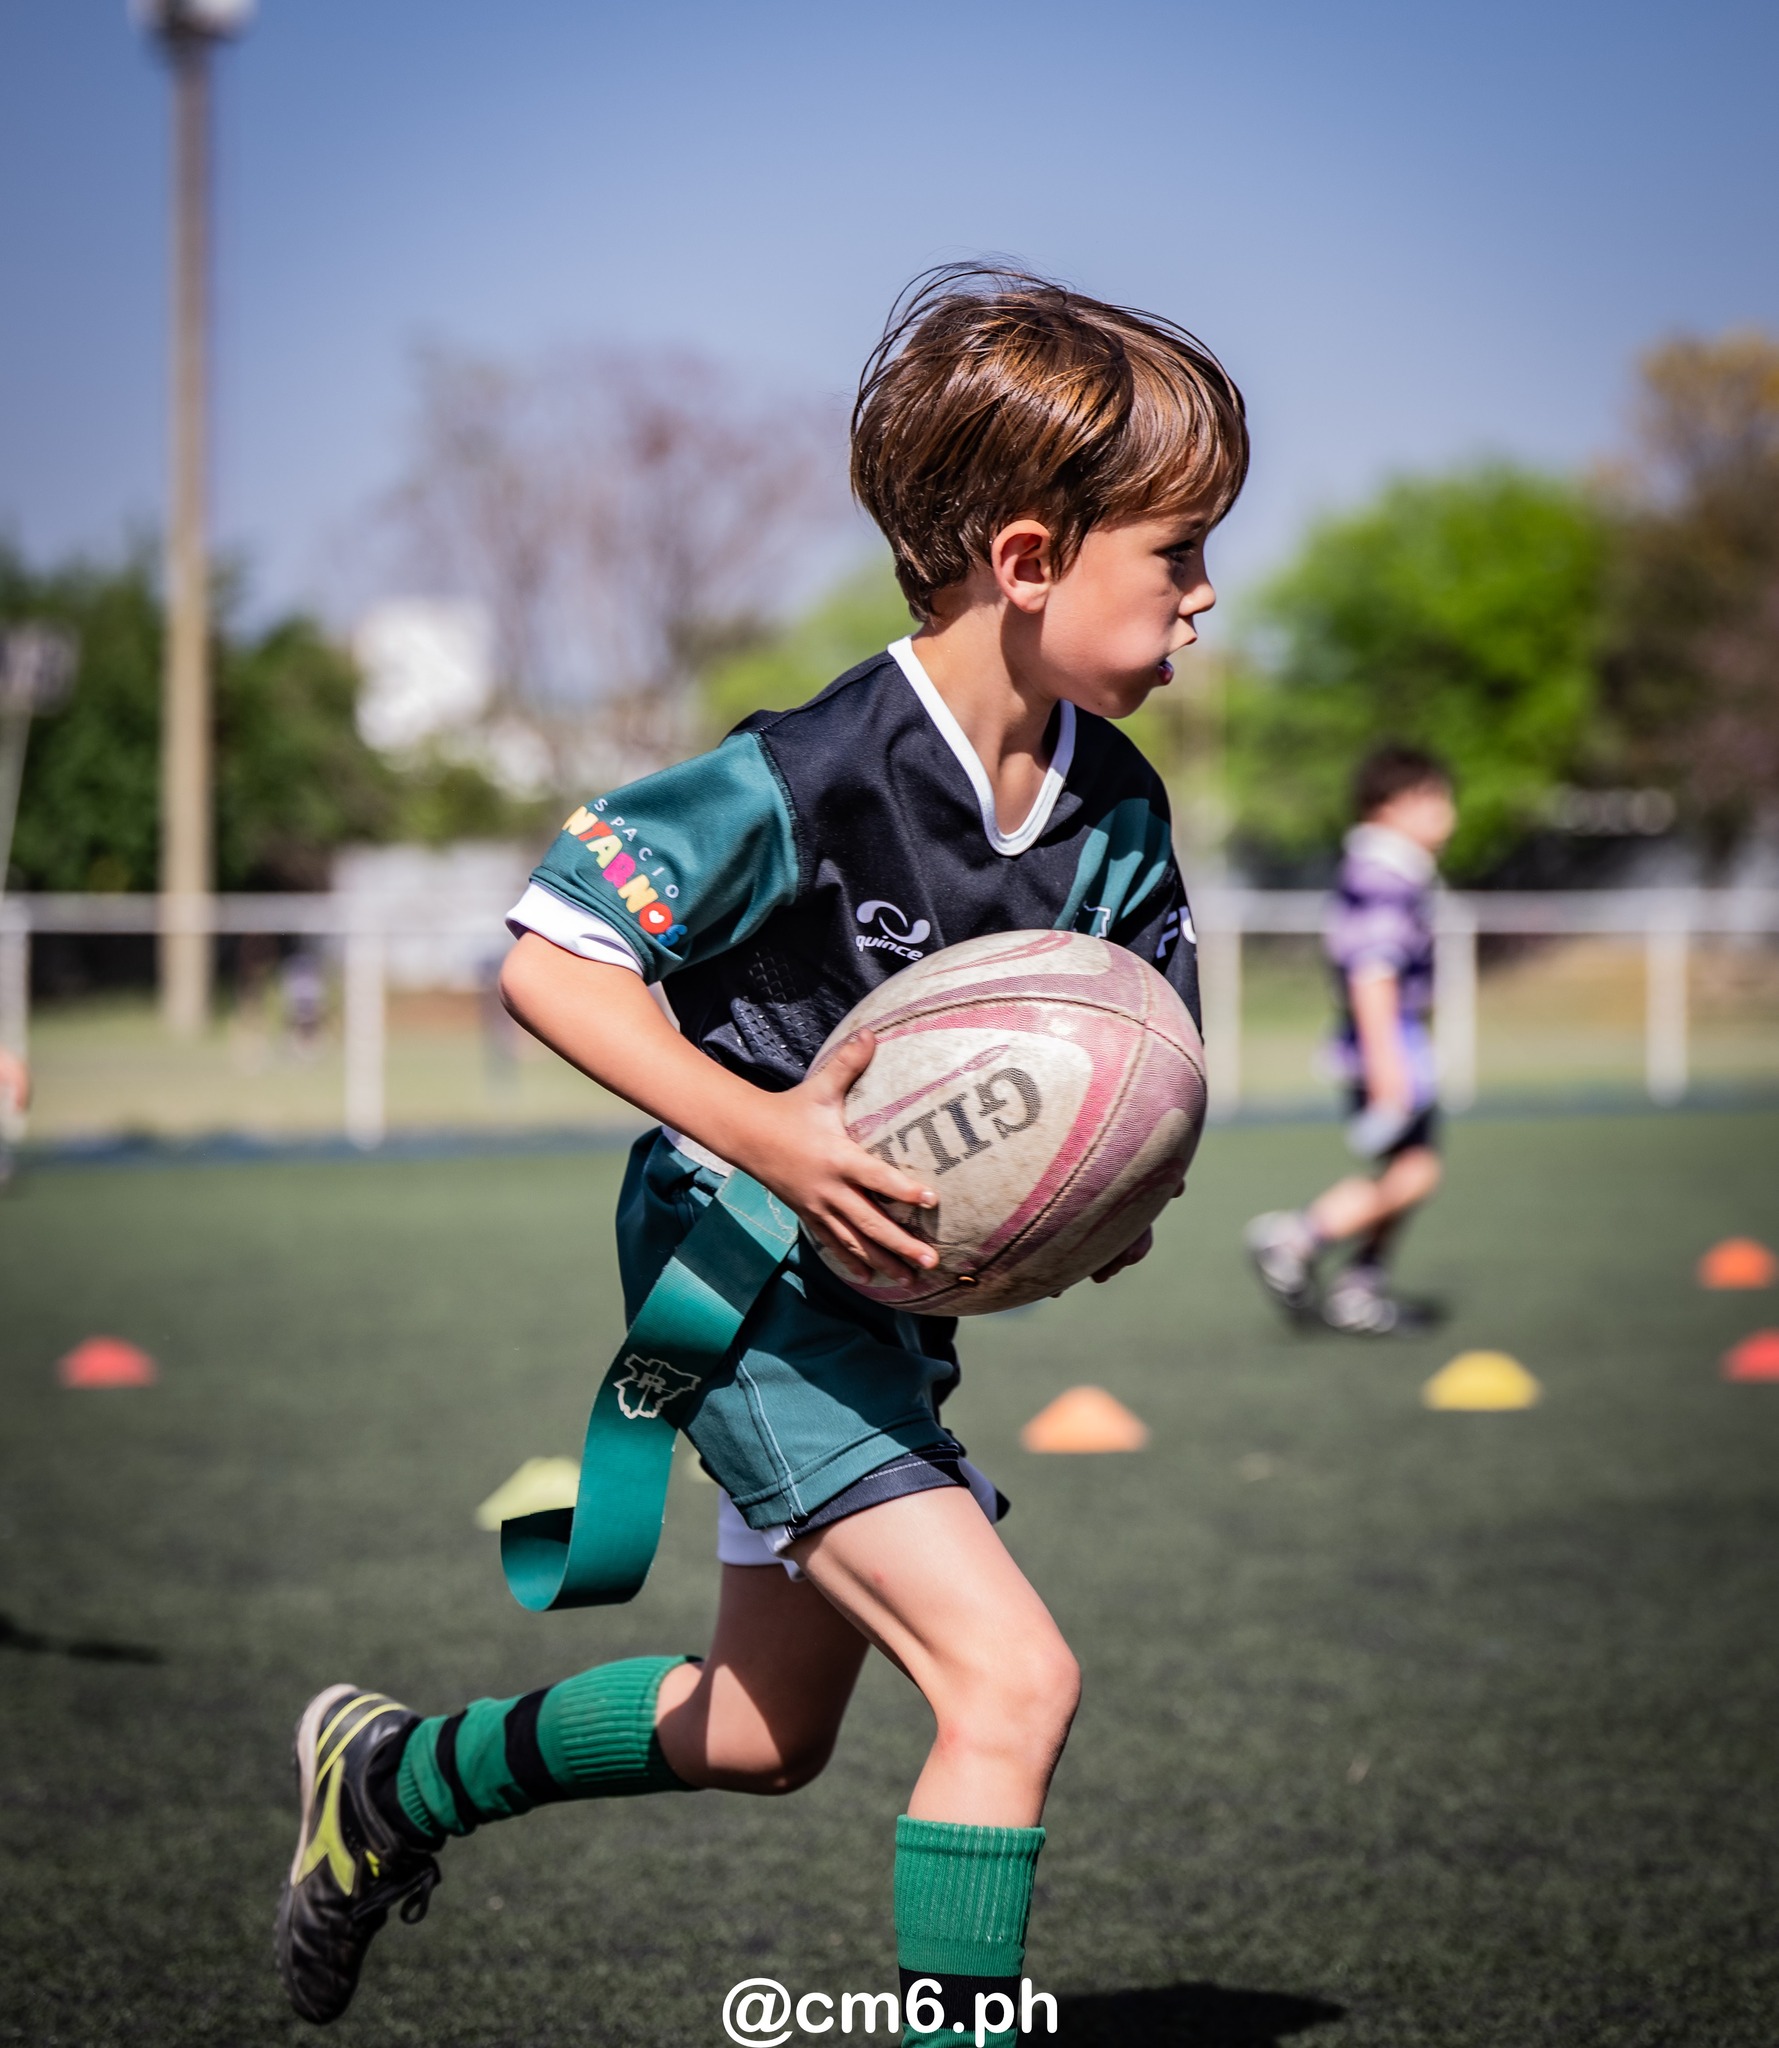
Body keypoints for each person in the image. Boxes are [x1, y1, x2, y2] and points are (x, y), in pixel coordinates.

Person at [274, 265, 1247, 2042]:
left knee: (761, 1730)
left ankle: (394, 1781)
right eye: (1175, 554)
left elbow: (1145, 1055)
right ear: (1026, 557)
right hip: (741, 1279)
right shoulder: (803, 773)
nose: (1202, 597)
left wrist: (1121, 1196)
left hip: (874, 1307)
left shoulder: (1113, 805)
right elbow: (550, 959)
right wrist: (779, 1136)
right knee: (1008, 1681)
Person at [1244, 744, 1457, 1336]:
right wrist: (1388, 1062)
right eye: (1437, 800)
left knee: (1404, 1167)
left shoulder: (1392, 870)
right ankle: (1294, 1239)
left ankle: (1361, 1287)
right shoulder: (1382, 875)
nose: (1450, 816)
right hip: (1387, 1040)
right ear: (1392, 805)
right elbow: (1373, 973)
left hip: (1393, 1037)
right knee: (1415, 1172)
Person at [0, 1045, 28, 1189]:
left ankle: (5, 1172)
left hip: (4, 1105)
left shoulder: (5, 1058)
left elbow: (18, 1075)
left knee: (4, 1142)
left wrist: (19, 1098)